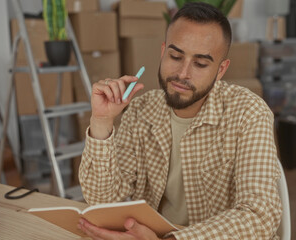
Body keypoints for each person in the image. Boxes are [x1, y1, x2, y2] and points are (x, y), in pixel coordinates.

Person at [78, 2, 282, 239]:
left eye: (200, 64)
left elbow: (260, 215)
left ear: (221, 70)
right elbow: (101, 199)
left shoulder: (249, 113)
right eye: (175, 56)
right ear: (162, 51)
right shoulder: (141, 109)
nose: (183, 73)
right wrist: (102, 121)